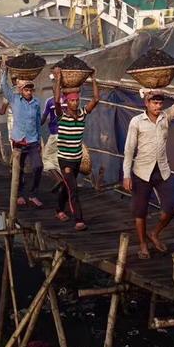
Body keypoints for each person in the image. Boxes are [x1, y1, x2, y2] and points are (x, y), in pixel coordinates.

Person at [122, 67, 174, 260]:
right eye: (154, 102)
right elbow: (129, 150)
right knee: (140, 211)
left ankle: (154, 233)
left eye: (160, 103)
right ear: (147, 103)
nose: (158, 106)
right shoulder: (136, 122)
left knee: (170, 209)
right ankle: (143, 244)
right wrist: (126, 175)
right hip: (141, 172)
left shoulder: (165, 117)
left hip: (162, 170)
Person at [52, 73, 100, 231]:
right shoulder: (61, 116)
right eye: (72, 101)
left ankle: (58, 209)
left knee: (67, 186)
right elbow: (56, 100)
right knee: (73, 189)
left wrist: (93, 79)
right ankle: (79, 220)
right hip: (65, 160)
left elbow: (96, 99)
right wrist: (58, 79)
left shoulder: (82, 114)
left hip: (77, 159)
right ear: (67, 102)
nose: (75, 103)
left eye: (77, 100)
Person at [0, 60, 44, 208]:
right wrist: (5, 71)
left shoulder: (36, 103)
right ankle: (19, 194)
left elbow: (37, 122)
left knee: (38, 166)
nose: (29, 92)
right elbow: (4, 85)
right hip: (19, 140)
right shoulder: (14, 99)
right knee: (18, 168)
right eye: (26, 90)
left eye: (30, 90)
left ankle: (33, 194)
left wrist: (39, 141)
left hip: (32, 140)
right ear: (21, 90)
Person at [41, 82, 63, 174]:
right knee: (60, 158)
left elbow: (43, 118)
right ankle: (64, 178)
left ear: (53, 90)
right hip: (67, 134)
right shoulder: (68, 99)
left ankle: (59, 179)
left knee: (46, 158)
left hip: (55, 134)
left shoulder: (50, 101)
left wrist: (35, 126)